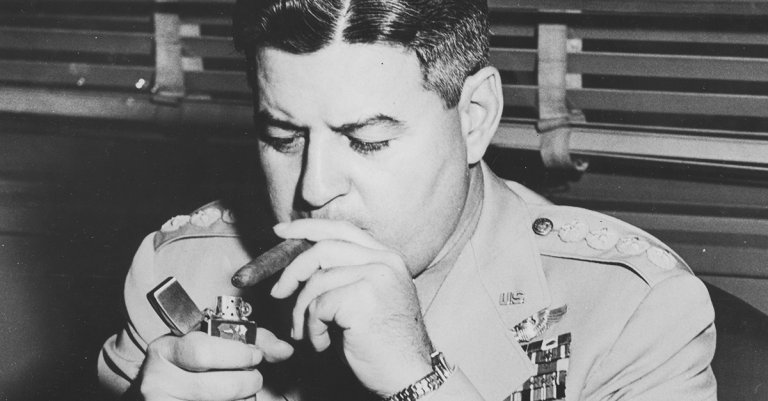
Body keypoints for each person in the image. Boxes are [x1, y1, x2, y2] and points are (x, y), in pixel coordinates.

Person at [98, 0, 718, 399]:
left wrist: (421, 381)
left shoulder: (632, 314)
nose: (314, 188)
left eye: (367, 140)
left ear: (475, 116)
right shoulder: (186, 272)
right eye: (283, 137)